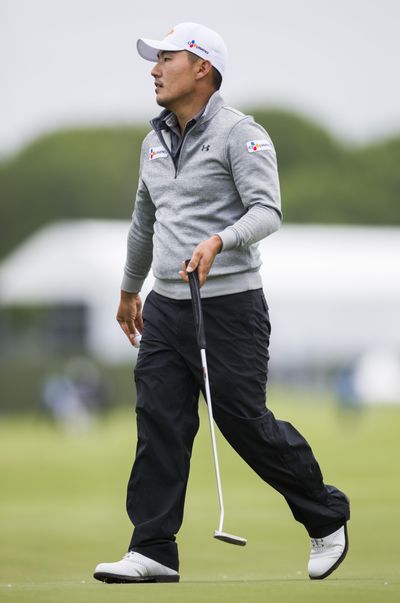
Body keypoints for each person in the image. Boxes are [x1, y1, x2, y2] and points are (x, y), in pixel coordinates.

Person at [94, 22, 350, 584]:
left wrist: (219, 240)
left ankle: (326, 516)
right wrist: (129, 290)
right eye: (154, 60)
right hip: (165, 306)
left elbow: (267, 211)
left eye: (166, 59)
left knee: (242, 421)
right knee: (159, 420)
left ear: (202, 68)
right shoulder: (153, 139)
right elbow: (144, 223)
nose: (154, 69)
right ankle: (153, 548)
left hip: (230, 308)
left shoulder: (241, 133)